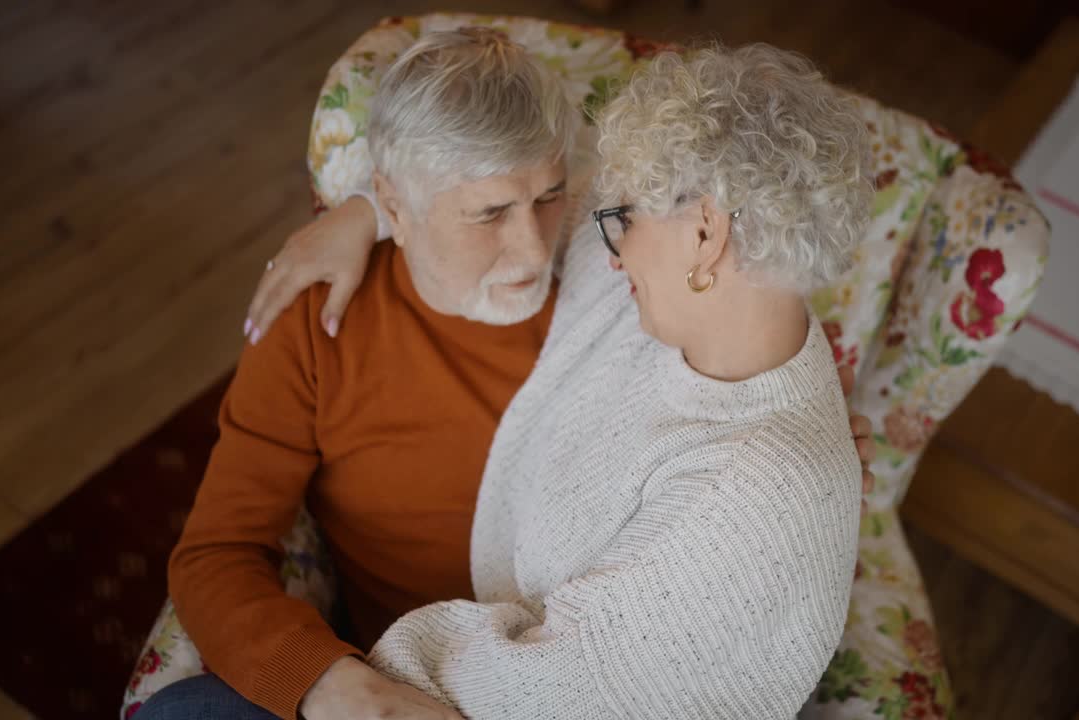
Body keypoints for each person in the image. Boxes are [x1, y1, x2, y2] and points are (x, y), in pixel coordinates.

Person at [137, 28, 874, 720]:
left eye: (552, 197)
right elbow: (216, 556)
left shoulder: (609, 288)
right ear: (399, 201)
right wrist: (340, 689)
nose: (531, 251)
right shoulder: (320, 323)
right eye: (488, 215)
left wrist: (387, 208)